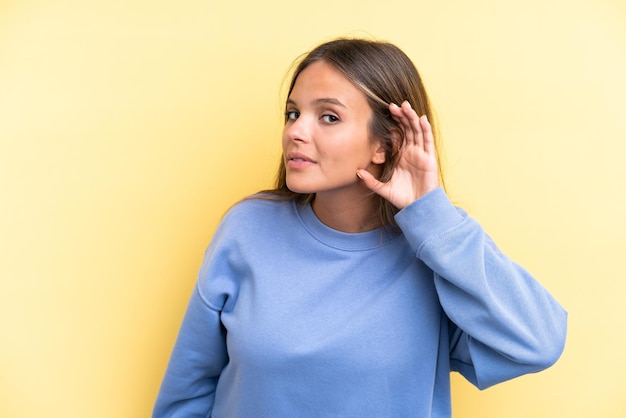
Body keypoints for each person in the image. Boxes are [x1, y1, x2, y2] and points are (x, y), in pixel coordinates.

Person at [153, 38, 567, 418]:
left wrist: (433, 215)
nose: (296, 131)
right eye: (293, 113)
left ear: (384, 144)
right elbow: (186, 396)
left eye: (328, 117)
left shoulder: (437, 252)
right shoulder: (247, 229)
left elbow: (538, 343)